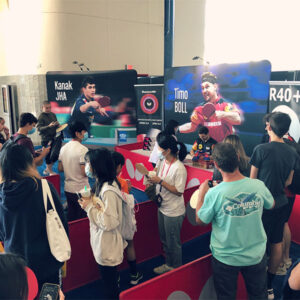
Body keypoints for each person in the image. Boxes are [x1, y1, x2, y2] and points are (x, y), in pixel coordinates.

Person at [196, 142, 274, 300]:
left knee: (226, 296)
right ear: (238, 158)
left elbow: (200, 220)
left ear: (216, 165)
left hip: (225, 257)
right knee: (259, 295)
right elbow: (271, 205)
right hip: (256, 255)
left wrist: (201, 194)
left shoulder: (214, 193)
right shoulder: (258, 185)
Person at [0, 144, 67, 290]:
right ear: (28, 162)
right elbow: (61, 223)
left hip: (16, 264)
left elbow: (2, 233)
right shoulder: (43, 187)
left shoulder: (1, 194)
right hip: (46, 260)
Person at [250, 112, 299, 299]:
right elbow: (288, 181)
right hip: (281, 202)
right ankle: (269, 285)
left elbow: (252, 181)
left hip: (261, 205)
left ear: (270, 127)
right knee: (276, 241)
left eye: (267, 124)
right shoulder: (292, 151)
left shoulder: (261, 149)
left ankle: (258, 282)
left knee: (259, 243)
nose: (265, 127)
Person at [79, 148, 125, 299]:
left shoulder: (108, 190)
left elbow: (109, 222)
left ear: (97, 165)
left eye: (88, 163)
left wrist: (89, 207)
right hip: (102, 240)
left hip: (108, 243)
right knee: (108, 279)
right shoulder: (100, 184)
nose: (86, 166)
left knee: (109, 285)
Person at [148, 133, 188, 274]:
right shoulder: (162, 161)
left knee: (173, 242)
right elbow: (156, 173)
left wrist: (159, 181)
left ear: (168, 150)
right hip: (162, 206)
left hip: (174, 211)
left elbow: (178, 191)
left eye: (159, 148)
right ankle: (168, 262)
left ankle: (174, 268)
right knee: (165, 239)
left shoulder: (179, 168)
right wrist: (151, 175)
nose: (157, 150)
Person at [178, 71, 242, 142]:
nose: (204, 90)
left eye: (207, 87)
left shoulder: (226, 104)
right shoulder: (199, 109)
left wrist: (223, 114)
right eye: (202, 88)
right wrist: (176, 129)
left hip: (225, 148)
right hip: (209, 148)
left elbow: (238, 120)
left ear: (215, 87)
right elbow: (192, 127)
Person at [111, 151, 143, 285]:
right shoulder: (123, 182)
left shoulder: (102, 182)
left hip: (112, 220)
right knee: (129, 245)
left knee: (113, 248)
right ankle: (134, 274)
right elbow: (127, 199)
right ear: (118, 167)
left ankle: (116, 277)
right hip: (124, 218)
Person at [58, 121, 90, 221]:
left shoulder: (63, 148)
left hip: (68, 188)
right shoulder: (83, 149)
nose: (85, 134)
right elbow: (84, 173)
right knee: (83, 217)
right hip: (83, 188)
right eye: (84, 132)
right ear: (77, 133)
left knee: (72, 216)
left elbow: (60, 168)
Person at [37, 101, 60, 175]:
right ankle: (49, 170)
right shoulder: (41, 117)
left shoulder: (53, 114)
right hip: (45, 139)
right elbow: (39, 128)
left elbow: (55, 124)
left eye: (50, 107)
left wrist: (58, 125)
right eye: (46, 108)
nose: (48, 109)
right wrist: (48, 126)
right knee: (48, 155)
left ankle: (48, 169)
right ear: (42, 108)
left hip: (54, 137)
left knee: (55, 154)